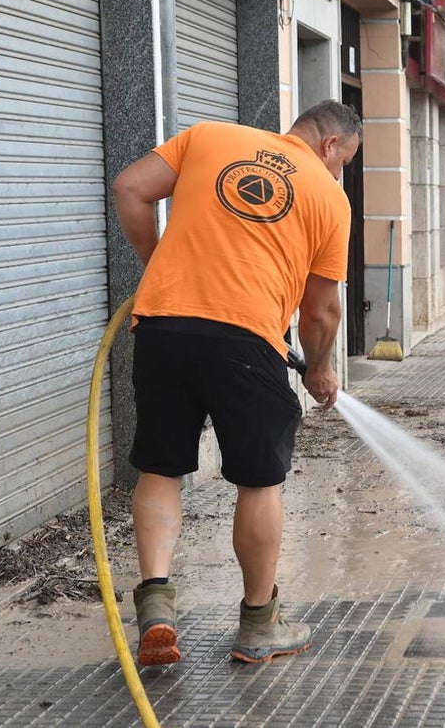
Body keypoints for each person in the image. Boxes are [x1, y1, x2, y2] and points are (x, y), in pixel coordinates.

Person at [112, 100, 362, 667]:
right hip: (250, 344)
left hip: (163, 327)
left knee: (161, 467)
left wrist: (156, 265)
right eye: (342, 161)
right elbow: (322, 311)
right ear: (329, 147)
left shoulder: (209, 137)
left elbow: (130, 187)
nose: (338, 172)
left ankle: (156, 602)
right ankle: (257, 625)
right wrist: (320, 368)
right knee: (259, 482)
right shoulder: (329, 198)